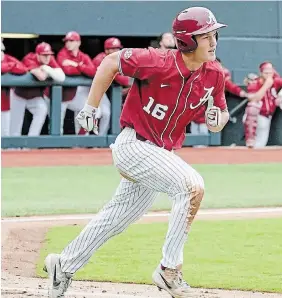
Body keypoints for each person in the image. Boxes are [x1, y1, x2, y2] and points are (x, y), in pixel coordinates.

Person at [43, 6, 229, 298]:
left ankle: (62, 265)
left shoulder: (214, 74)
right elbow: (110, 62)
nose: (214, 41)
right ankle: (169, 270)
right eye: (206, 36)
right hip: (133, 145)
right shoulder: (158, 60)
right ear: (187, 41)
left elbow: (220, 113)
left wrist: (219, 120)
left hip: (160, 154)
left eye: (214, 34)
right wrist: (91, 106)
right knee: (191, 188)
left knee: (116, 218)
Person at [10, 42, 65, 137]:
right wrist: (50, 71)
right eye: (44, 55)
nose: (47, 58)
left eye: (49, 55)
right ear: (37, 55)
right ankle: (12, 149)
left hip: (35, 95)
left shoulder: (49, 60)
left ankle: (32, 140)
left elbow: (61, 77)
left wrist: (45, 68)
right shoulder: (29, 58)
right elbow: (41, 76)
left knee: (42, 109)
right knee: (15, 126)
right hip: (19, 95)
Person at [243, 61, 282, 148]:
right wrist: (266, 85)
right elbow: (254, 99)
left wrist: (281, 94)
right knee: (252, 106)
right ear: (261, 73)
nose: (268, 75)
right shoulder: (254, 83)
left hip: (266, 117)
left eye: (270, 72)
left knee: (260, 146)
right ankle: (250, 139)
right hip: (254, 116)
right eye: (266, 73)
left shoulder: (274, 81)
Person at [1, 39, 28, 136]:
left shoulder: (6, 58)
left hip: (4, 103)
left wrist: (8, 65)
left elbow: (23, 69)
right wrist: (8, 66)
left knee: (5, 134)